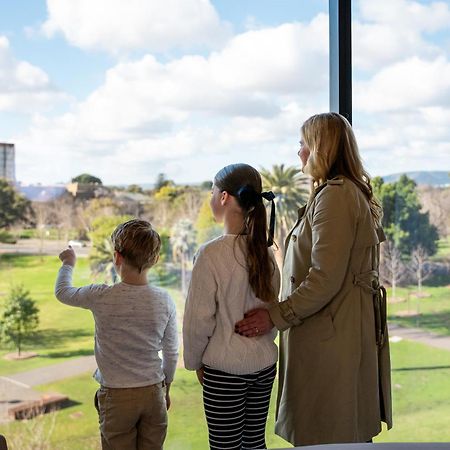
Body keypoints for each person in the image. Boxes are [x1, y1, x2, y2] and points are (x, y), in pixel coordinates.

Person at [235, 112, 393, 446]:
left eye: (304, 144)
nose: (300, 153)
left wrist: (274, 316)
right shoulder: (345, 192)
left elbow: (324, 278)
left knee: (329, 435)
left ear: (321, 148)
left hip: (330, 337)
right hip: (339, 331)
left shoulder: (335, 196)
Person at [55, 219, 178, 450]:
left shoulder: (100, 295)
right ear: (155, 260)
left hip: (116, 397)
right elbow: (171, 352)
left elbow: (63, 292)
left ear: (117, 257)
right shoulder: (164, 300)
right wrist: (166, 388)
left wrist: (68, 263)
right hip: (153, 393)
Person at [183, 163, 280, 450]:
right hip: (264, 366)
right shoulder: (265, 252)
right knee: (254, 444)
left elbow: (197, 321)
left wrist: (195, 362)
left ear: (224, 197)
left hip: (224, 371)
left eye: (212, 191)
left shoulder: (211, 254)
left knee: (225, 448)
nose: (211, 197)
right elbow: (271, 308)